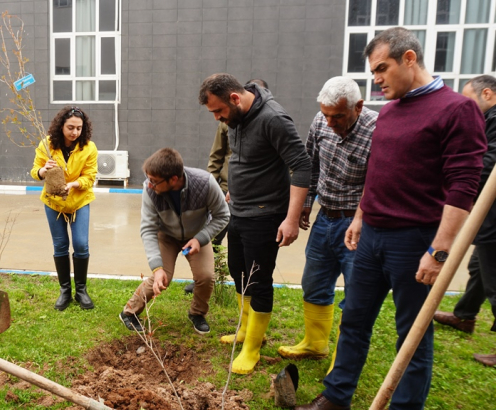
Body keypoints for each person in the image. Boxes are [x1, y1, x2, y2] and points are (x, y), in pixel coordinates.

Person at [295, 27, 486, 410]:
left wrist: (440, 250)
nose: (377, 79)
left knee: (412, 335)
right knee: (354, 320)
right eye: (373, 71)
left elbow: (464, 185)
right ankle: (336, 398)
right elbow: (378, 172)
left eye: (382, 68)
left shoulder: (456, 109)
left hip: (415, 240)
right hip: (370, 237)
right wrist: (360, 218)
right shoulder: (391, 111)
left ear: (409, 59)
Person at [199, 73, 311, 374]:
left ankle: (252, 348)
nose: (217, 118)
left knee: (258, 279)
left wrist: (290, 218)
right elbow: (246, 159)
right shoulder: (237, 118)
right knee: (237, 269)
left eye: (219, 111)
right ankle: (245, 329)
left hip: (265, 214)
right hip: (239, 209)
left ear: (235, 98)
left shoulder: (274, 119)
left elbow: (301, 166)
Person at [277, 77, 377, 370]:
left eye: (338, 116)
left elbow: (376, 182)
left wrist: (359, 220)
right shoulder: (321, 121)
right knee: (314, 283)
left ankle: (342, 361)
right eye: (326, 114)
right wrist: (305, 206)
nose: (330, 122)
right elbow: (312, 163)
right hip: (326, 218)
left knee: (356, 295)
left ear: (358, 106)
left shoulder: (377, 129)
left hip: (359, 224)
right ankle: (315, 344)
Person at [119, 148, 229, 334]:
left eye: (154, 181)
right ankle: (129, 312)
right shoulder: (150, 189)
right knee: (162, 278)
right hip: (166, 236)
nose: (149, 184)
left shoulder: (205, 183)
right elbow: (148, 229)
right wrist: (158, 267)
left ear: (173, 179)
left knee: (206, 277)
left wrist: (200, 239)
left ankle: (197, 313)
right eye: (148, 178)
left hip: (196, 235)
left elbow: (223, 215)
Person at [433, 74, 496, 367]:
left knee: (493, 276)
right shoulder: (487, 121)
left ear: (488, 94)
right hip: (488, 214)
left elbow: (483, 164)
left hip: (493, 216)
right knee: (479, 268)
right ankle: (465, 316)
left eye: (469, 100)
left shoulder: (493, 122)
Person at [184, 78, 268, 296]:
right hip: (223, 189)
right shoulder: (226, 122)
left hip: (250, 196)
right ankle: (203, 278)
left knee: (243, 240)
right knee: (213, 235)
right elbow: (216, 156)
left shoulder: (268, 121)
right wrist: (209, 188)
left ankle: (244, 281)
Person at [31, 106, 98, 311]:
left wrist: (73, 185)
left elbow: (90, 177)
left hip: (79, 202)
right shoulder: (47, 145)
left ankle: (81, 290)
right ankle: (64, 291)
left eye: (79, 128)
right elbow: (35, 171)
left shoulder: (89, 148)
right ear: (61, 126)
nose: (74, 132)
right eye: (70, 127)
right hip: (53, 202)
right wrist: (44, 170)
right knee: (60, 245)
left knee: (80, 244)